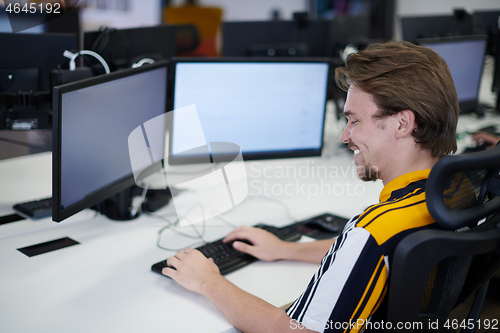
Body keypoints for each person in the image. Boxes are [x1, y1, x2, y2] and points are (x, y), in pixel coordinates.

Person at [161, 40, 460, 333]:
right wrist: (285, 249)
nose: (345, 136)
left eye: (354, 121)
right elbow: (369, 254)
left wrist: (208, 281)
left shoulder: (373, 229)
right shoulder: (458, 191)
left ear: (402, 124)